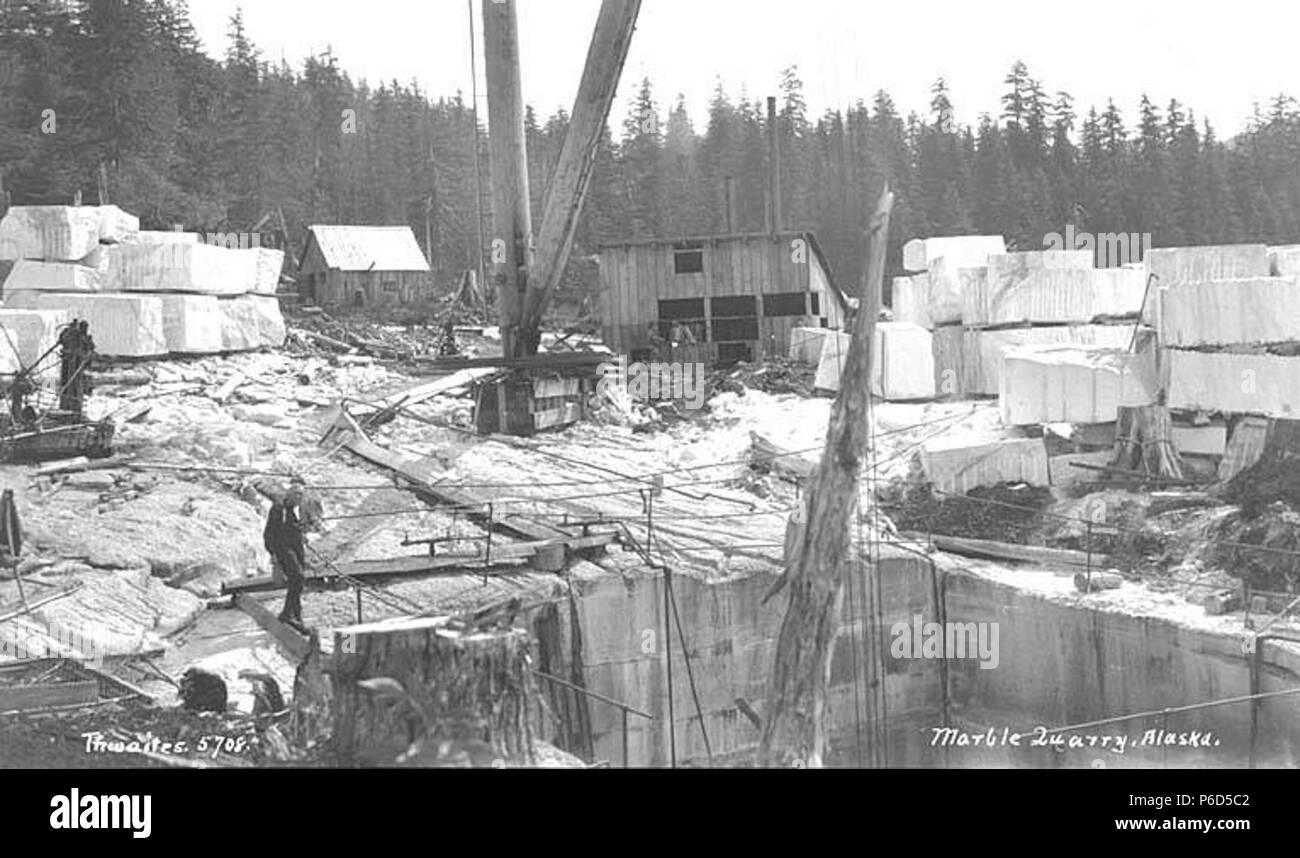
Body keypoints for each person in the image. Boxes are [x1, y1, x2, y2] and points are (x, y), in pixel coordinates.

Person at [264, 484, 308, 632]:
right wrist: (273, 555)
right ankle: (287, 614)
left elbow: (294, 528)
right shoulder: (278, 508)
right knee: (298, 578)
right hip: (283, 549)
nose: (298, 498)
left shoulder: (294, 510)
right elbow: (269, 533)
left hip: (296, 548)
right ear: (289, 495)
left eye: (301, 495)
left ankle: (297, 616)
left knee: (298, 582)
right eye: (296, 494)